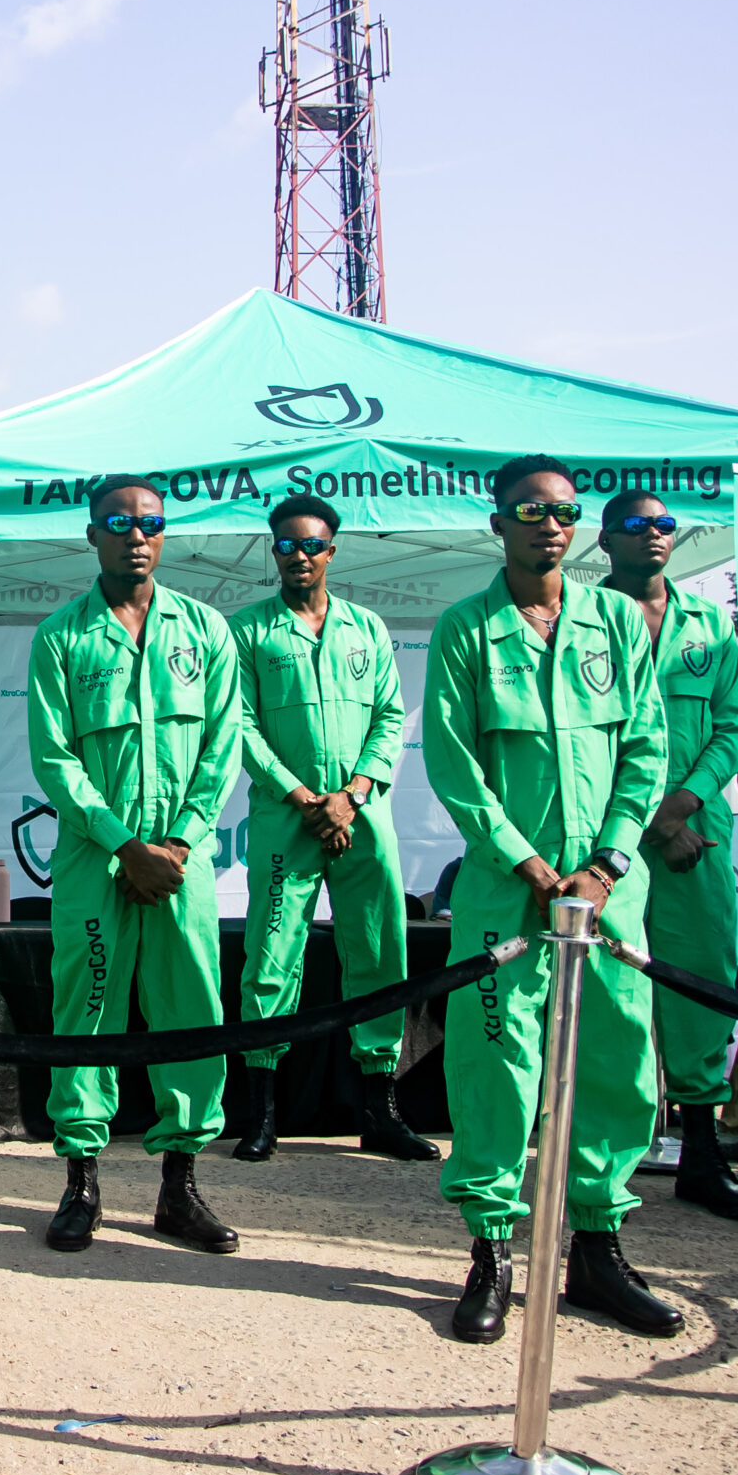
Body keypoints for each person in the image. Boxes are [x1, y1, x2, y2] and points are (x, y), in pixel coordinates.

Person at [424, 455, 679, 1343]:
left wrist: (605, 864)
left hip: (608, 893)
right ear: (498, 522)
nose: (549, 523)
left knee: (617, 1062)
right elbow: (456, 767)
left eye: (565, 510)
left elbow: (647, 747)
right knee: (499, 1065)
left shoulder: (614, 619)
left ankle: (598, 1250)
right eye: (530, 508)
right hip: (510, 892)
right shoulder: (467, 627)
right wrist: (528, 863)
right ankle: (491, 1250)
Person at [22, 475, 246, 1257]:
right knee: (84, 1011)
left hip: (181, 864)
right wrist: (124, 844)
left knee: (190, 1012)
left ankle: (180, 1187)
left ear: (166, 532)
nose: (136, 534)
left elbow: (223, 744)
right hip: (96, 860)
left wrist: (179, 841)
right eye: (118, 522)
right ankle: (81, 1183)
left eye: (150, 522)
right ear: (93, 535)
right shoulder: (61, 637)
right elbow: (55, 760)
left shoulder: (207, 630)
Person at [225, 494, 438, 1165]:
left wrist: (351, 795)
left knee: (379, 954)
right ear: (273, 551)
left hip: (362, 815)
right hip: (288, 817)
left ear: (331, 551)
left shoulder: (367, 629)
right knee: (270, 959)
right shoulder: (249, 631)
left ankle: (380, 1109)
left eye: (311, 544)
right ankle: (262, 1113)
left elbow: (389, 717)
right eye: (286, 544)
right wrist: (304, 797)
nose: (299, 556)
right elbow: (241, 725)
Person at [597, 487, 738, 1220]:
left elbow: (734, 726)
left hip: (696, 835)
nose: (654, 535)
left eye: (664, 525)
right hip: (611, 835)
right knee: (613, 996)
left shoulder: (710, 624)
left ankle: (703, 1153)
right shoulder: (580, 620)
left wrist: (683, 805)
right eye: (636, 526)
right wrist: (652, 822)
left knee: (698, 984)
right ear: (605, 540)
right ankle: (607, 1162)